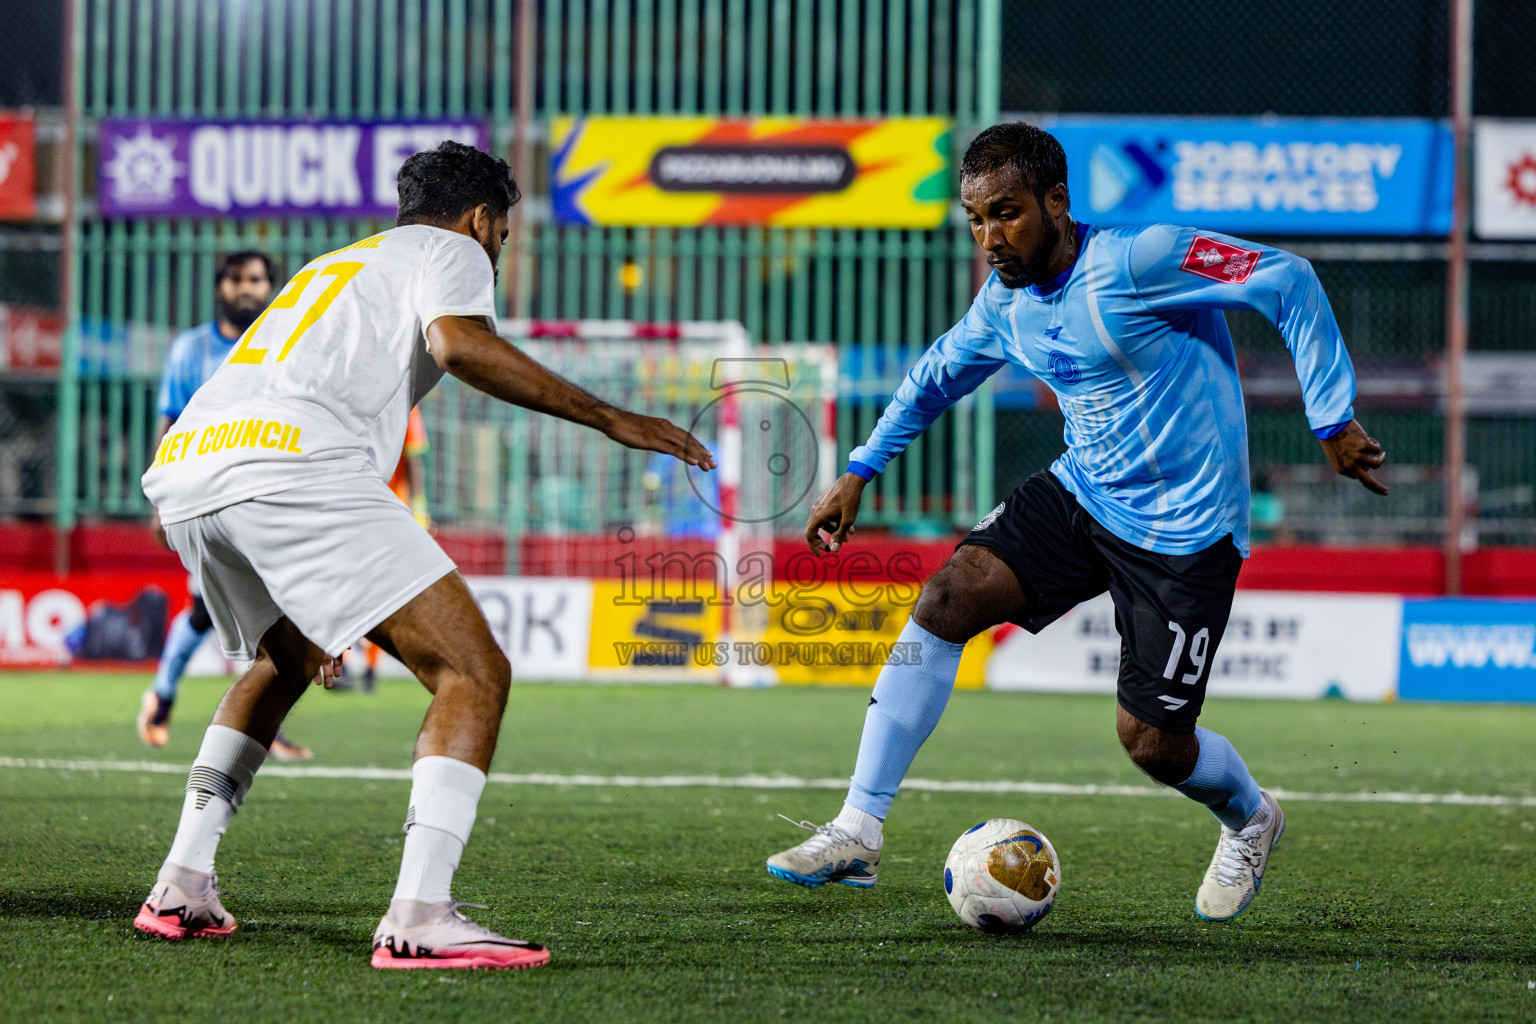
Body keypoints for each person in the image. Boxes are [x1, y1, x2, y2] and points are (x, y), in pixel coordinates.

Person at [765, 122, 1388, 922]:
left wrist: (1331, 419)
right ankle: (858, 830)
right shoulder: (1005, 302)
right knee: (946, 600)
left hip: (1185, 533)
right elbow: (933, 378)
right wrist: (859, 469)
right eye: (977, 219)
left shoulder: (1143, 259)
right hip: (1082, 495)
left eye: (1008, 213)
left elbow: (1287, 279)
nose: (991, 237)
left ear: (1057, 201)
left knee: (1153, 745)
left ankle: (1251, 817)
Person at [132, 140, 714, 968]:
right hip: (289, 466)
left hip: (192, 467)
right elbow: (460, 346)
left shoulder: (336, 263)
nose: (499, 253)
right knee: (473, 670)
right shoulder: (452, 248)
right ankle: (420, 917)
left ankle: (180, 885)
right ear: (482, 219)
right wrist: (612, 418)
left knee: (285, 658)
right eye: (503, 238)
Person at [136, 251, 311, 762]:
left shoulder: (280, 346)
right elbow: (170, 422)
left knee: (265, 607)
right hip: (203, 494)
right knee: (209, 609)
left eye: (256, 280)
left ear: (270, 287)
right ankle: (172, 696)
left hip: (262, 493)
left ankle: (241, 716)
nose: (246, 289)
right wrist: (158, 499)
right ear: (221, 287)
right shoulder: (190, 349)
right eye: (237, 280)